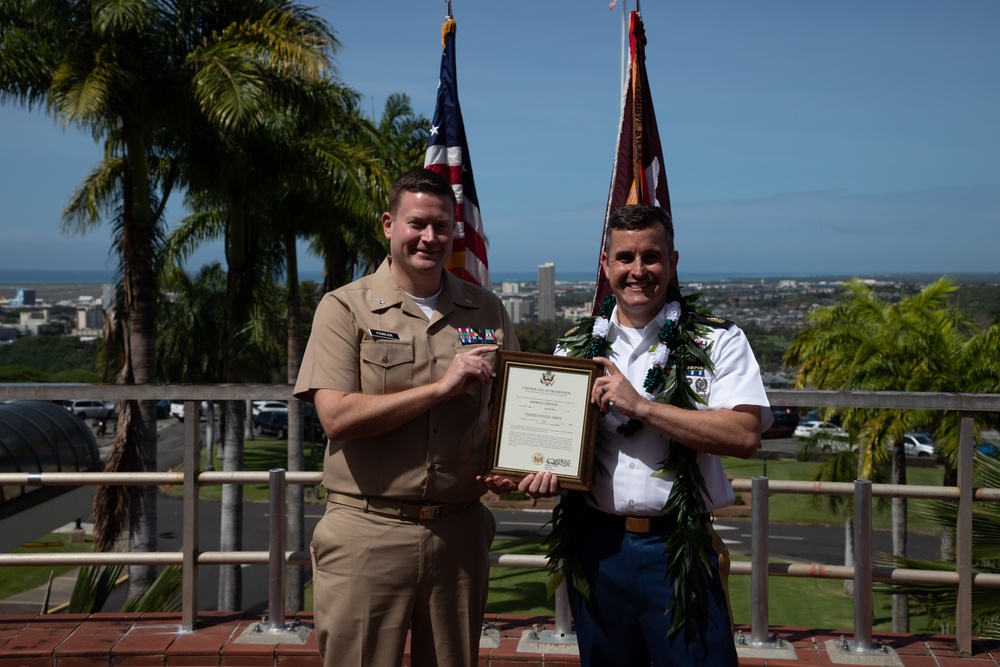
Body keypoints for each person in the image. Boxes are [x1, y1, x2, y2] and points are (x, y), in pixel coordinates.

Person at [484, 204, 772, 666]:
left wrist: (641, 406)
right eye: (625, 258)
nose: (638, 270)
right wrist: (528, 474)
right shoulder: (576, 346)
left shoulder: (717, 341)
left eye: (651, 257)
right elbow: (554, 443)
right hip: (599, 549)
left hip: (678, 549)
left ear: (672, 262)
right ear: (606, 266)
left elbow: (744, 434)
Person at [294, 168, 519, 667]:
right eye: (417, 224)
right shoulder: (344, 309)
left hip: (458, 532)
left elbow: (512, 409)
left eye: (442, 227)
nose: (430, 238)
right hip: (367, 529)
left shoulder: (486, 310)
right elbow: (336, 417)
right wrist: (441, 388)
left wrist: (513, 467)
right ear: (388, 224)